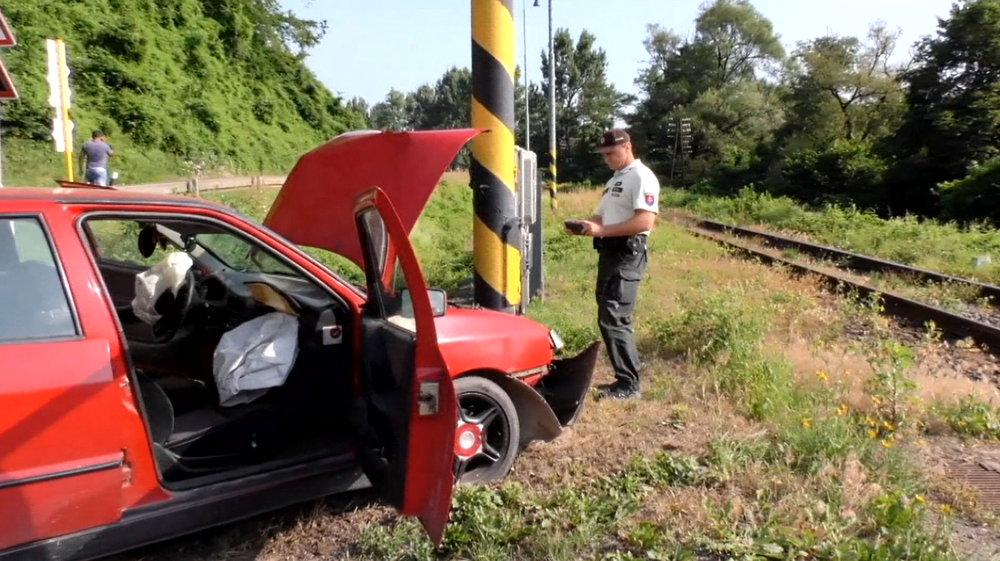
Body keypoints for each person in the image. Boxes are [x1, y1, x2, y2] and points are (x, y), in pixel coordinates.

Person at [565, 128, 660, 400]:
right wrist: (585, 225)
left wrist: (601, 231)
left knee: (616, 315)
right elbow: (601, 217)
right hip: (611, 253)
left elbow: (645, 221)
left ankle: (629, 384)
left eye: (611, 153)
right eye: (603, 154)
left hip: (627, 252)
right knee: (608, 314)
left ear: (627, 147)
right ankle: (624, 380)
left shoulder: (641, 177)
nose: (606, 158)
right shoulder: (616, 179)